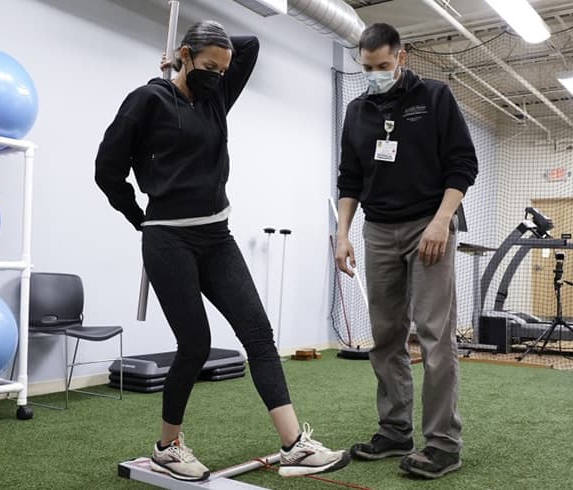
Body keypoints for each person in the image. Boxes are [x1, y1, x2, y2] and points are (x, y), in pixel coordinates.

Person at [94, 20, 350, 482]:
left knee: (258, 333)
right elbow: (106, 171)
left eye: (222, 68)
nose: (217, 74)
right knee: (195, 345)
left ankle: (294, 446)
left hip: (217, 237)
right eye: (208, 65)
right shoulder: (146, 100)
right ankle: (167, 446)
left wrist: (203, 61)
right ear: (186, 55)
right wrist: (141, 219)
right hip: (168, 238)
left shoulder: (215, 98)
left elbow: (249, 46)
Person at [334, 23, 478, 480]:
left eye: (382, 65)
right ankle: (395, 429)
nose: (374, 74)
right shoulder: (357, 111)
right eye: (366, 67)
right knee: (385, 336)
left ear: (402, 56)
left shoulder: (434, 98)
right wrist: (342, 233)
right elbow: (349, 179)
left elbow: (463, 164)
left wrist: (440, 221)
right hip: (377, 230)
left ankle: (443, 444)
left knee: (435, 337)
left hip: (428, 226)